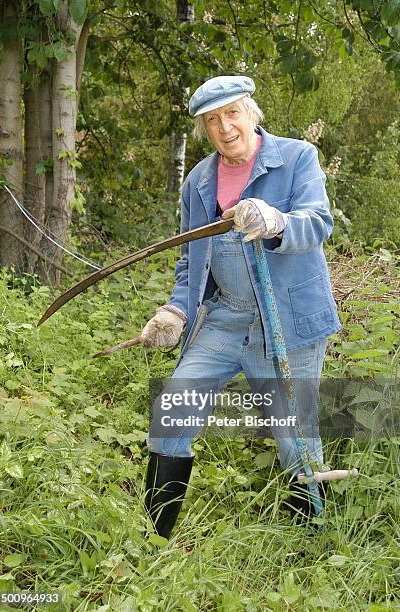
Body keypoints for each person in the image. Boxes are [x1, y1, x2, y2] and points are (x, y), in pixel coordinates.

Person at [140, 76, 341, 539]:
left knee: (297, 440)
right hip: (226, 318)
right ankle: (152, 540)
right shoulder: (199, 182)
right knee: (173, 411)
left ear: (251, 112)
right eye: (212, 120)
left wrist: (275, 220)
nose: (224, 126)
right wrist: (176, 311)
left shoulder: (295, 158)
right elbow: (192, 261)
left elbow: (317, 222)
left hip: (288, 319)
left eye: (232, 113)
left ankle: (312, 548)